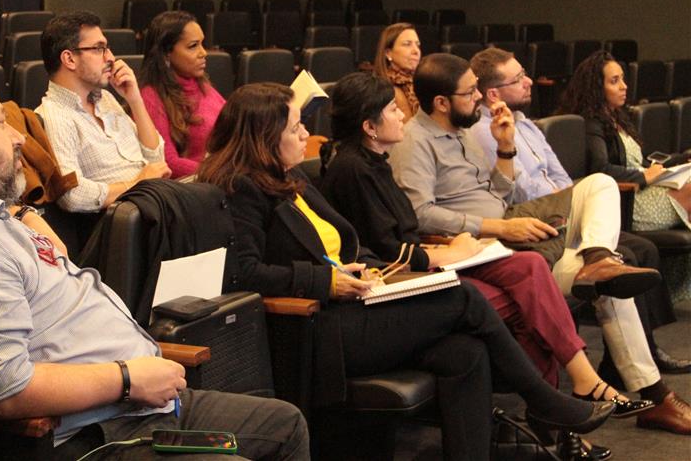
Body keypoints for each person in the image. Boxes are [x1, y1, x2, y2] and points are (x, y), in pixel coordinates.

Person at [0, 52, 309, 461]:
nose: (18, 136)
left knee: (285, 424)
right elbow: (5, 387)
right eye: (0, 124)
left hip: (135, 403)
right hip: (101, 429)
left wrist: (21, 211)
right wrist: (128, 379)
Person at [196, 82, 614, 461]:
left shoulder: (290, 181)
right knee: (463, 296)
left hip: (352, 303)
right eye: (294, 128)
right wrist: (326, 281)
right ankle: (544, 400)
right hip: (314, 327)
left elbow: (349, 244)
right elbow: (243, 275)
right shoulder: (241, 189)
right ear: (264, 138)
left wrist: (365, 272)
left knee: (464, 352)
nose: (306, 134)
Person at [318, 72, 650, 427]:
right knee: (528, 301)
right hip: (406, 274)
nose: (402, 114)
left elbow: (487, 198)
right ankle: (550, 415)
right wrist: (451, 251)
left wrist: (463, 243)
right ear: (370, 126)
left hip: (445, 251)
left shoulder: (376, 160)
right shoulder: (353, 169)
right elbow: (385, 248)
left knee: (529, 268)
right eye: (392, 110)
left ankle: (565, 399)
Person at [388, 52, 690, 435]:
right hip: (479, 242)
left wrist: (505, 148)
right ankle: (652, 393)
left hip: (511, 223)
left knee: (601, 188)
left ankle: (598, 257)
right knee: (605, 284)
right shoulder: (414, 143)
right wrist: (496, 226)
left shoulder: (463, 130)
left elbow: (499, 189)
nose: (479, 99)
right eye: (469, 94)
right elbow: (419, 214)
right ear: (441, 103)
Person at [468, 46, 691, 381]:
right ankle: (627, 365)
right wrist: (566, 201)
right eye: (519, 79)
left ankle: (630, 357)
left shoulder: (526, 125)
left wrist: (568, 198)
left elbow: (559, 175)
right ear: (494, 93)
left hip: (562, 209)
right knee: (627, 250)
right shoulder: (485, 133)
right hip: (536, 221)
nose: (530, 81)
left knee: (641, 249)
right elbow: (518, 191)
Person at [35, 11, 171, 213]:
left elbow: (157, 159)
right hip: (124, 221)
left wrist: (134, 100)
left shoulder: (106, 99)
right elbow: (72, 195)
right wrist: (138, 183)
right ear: (69, 59)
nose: (111, 58)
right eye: (99, 49)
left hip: (154, 203)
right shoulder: (54, 115)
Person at [560, 50, 691, 232]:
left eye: (622, 79)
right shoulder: (591, 123)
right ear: (597, 89)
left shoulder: (617, 117)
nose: (624, 86)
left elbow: (639, 162)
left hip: (644, 189)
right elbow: (601, 169)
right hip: (627, 200)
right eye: (614, 81)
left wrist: (681, 160)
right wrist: (643, 176)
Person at [139, 11, 225, 179]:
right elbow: (168, 162)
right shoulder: (151, 96)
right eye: (193, 46)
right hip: (198, 186)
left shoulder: (201, 84)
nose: (203, 53)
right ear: (166, 53)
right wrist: (221, 173)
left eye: (202, 44)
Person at [373, 22, 422, 122]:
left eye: (417, 45)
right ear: (388, 53)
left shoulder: (423, 81)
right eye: (407, 44)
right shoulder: (384, 90)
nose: (416, 51)